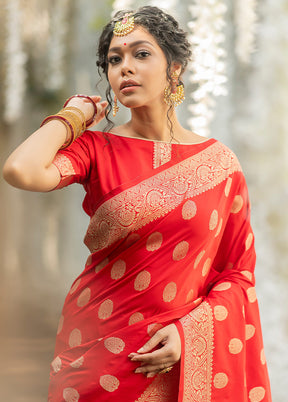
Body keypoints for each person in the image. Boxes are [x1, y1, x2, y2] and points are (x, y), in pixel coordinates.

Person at [3, 6, 272, 402]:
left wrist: (188, 333)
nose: (125, 68)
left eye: (141, 54)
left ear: (174, 68)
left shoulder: (220, 164)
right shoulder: (96, 149)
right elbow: (20, 170)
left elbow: (237, 273)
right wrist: (71, 117)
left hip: (176, 357)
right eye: (115, 59)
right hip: (95, 354)